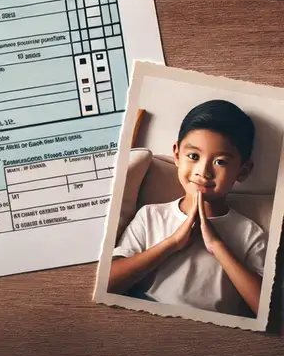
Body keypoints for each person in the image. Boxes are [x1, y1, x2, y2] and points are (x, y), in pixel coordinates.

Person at [109, 100, 266, 317]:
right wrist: (171, 244)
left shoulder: (250, 234)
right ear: (176, 154)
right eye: (193, 156)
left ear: (243, 170)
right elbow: (107, 284)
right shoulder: (150, 216)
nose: (203, 172)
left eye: (220, 162)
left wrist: (217, 246)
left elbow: (270, 311)